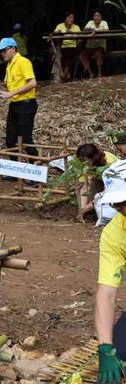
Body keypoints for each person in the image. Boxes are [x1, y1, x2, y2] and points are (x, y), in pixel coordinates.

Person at [94, 160, 126, 383]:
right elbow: (106, 293)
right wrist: (105, 347)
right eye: (117, 204)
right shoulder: (115, 233)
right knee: (118, 361)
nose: (123, 209)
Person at [0, 38, 38, 163]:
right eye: (0, 51)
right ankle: (15, 171)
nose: (2, 53)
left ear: (13, 49)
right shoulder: (9, 65)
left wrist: (11, 93)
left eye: (4, 50)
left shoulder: (23, 62)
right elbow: (12, 85)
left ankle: (36, 171)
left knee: (26, 139)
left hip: (26, 105)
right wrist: (0, 87)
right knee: (10, 139)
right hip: (15, 105)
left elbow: (33, 83)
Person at [75, 144, 117, 223]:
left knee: (106, 201)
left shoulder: (109, 162)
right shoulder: (82, 166)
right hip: (98, 179)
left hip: (115, 182)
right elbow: (83, 187)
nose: (85, 164)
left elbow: (111, 188)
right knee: (90, 193)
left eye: (87, 161)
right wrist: (82, 209)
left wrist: (93, 203)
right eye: (82, 161)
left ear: (94, 157)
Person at [79, 11, 109, 79]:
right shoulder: (90, 22)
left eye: (98, 16)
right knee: (81, 56)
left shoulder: (104, 22)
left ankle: (99, 74)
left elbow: (106, 30)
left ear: (101, 17)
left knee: (98, 53)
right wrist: (91, 30)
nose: (96, 18)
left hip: (100, 46)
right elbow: (84, 29)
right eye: (95, 16)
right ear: (93, 17)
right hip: (89, 47)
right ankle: (90, 73)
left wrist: (95, 31)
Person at [54, 12, 81, 81]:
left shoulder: (76, 27)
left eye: (72, 18)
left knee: (70, 54)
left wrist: (73, 35)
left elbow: (80, 40)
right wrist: (59, 32)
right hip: (62, 46)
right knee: (58, 55)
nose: (71, 19)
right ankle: (63, 73)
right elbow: (55, 34)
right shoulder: (60, 26)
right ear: (65, 19)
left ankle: (64, 73)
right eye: (69, 17)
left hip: (72, 46)